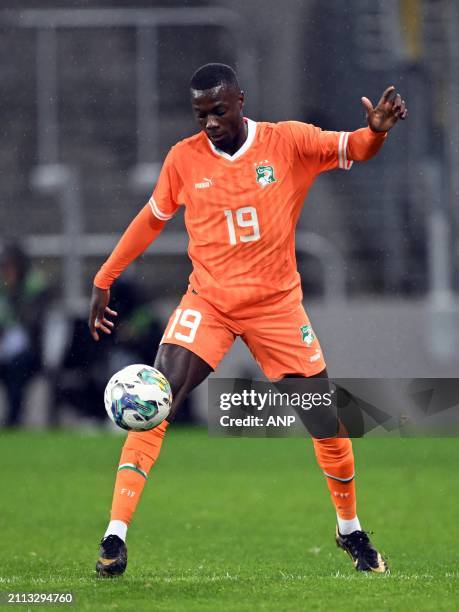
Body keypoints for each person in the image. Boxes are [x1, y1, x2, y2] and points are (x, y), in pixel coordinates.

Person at [88, 63, 407, 576]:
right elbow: (151, 219)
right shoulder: (183, 160)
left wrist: (376, 131)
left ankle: (350, 531)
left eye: (218, 110)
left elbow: (356, 148)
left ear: (240, 100)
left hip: (276, 306)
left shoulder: (289, 143)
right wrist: (105, 277)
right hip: (208, 302)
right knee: (154, 400)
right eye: (200, 115)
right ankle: (114, 536)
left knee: (326, 425)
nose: (209, 122)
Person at [0, 241, 50, 427]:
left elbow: (33, 323)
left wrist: (13, 293)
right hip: (4, 346)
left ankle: (14, 420)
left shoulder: (34, 285)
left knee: (16, 368)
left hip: (31, 350)